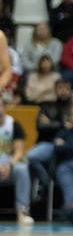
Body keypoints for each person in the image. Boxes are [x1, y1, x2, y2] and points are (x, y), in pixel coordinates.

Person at [0, 94, 35, 225]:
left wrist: (9, 165)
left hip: (9, 167)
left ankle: (22, 211)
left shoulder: (14, 124)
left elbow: (19, 151)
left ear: (4, 107)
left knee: (22, 169)